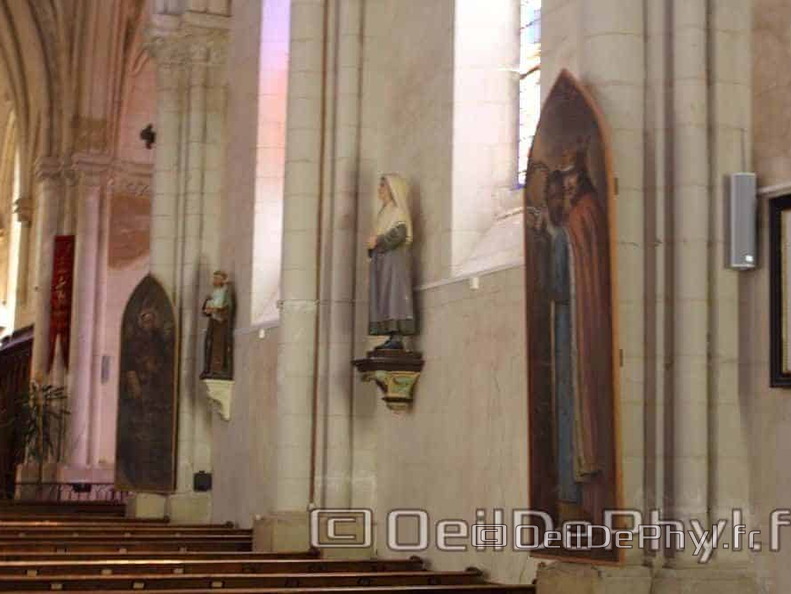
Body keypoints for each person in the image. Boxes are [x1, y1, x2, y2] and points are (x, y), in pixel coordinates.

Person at [367, 174, 415, 350]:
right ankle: (390, 333)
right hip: (382, 261)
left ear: (393, 189)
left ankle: (397, 335)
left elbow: (400, 234)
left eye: (383, 185)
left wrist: (378, 240)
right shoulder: (383, 212)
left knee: (394, 295)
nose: (379, 189)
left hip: (394, 261)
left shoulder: (397, 211)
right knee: (384, 295)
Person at [201, 270, 234, 379]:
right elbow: (205, 308)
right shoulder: (213, 293)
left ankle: (218, 369)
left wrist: (216, 310)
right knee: (209, 343)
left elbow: (229, 308)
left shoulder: (226, 292)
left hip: (221, 323)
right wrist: (206, 309)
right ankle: (209, 368)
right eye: (214, 278)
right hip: (213, 321)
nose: (214, 281)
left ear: (223, 280)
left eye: (217, 278)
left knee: (218, 345)